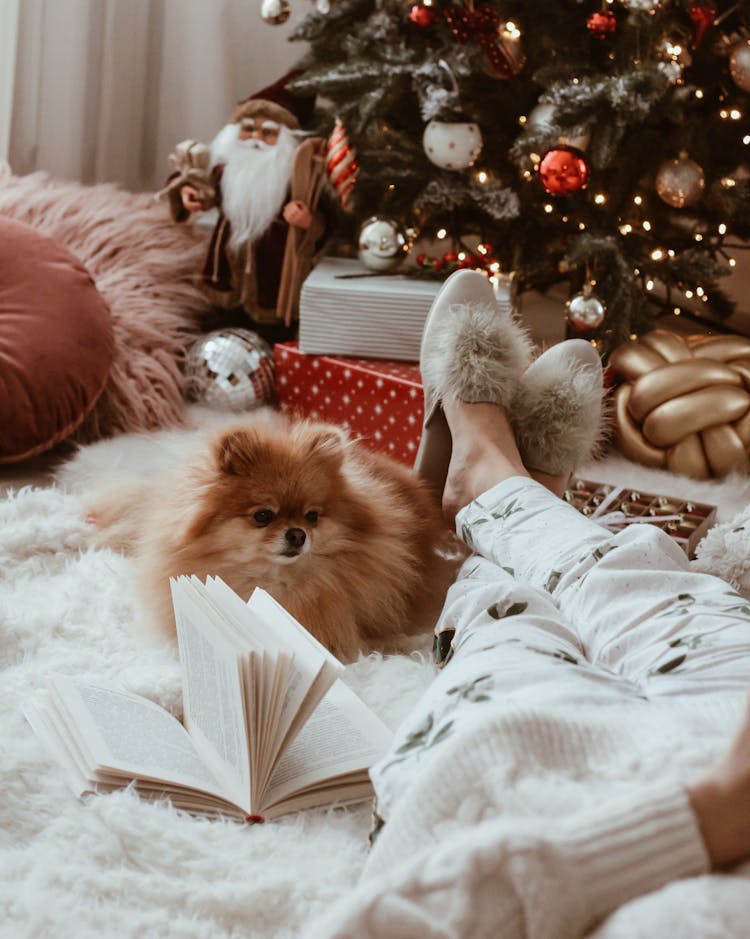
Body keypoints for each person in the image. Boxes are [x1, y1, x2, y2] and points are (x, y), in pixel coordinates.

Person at [303, 270, 750, 938]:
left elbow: (383, 924)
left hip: (554, 807)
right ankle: (513, 491)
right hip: (724, 717)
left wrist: (708, 813)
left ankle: (486, 484)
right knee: (665, 592)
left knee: (513, 623)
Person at [161, 70, 328, 331]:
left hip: (271, 285)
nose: (256, 139)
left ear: (285, 139)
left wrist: (308, 220)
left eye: (268, 133)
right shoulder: (225, 170)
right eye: (248, 129)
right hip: (223, 274)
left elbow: (327, 221)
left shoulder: (296, 181)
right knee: (213, 324)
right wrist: (187, 193)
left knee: (271, 332)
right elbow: (196, 182)